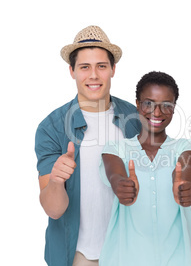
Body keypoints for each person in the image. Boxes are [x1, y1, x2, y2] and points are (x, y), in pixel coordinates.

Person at [35, 25, 141, 266]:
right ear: (71, 71)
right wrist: (56, 181)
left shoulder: (135, 119)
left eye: (101, 66)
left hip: (129, 251)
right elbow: (54, 210)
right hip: (77, 256)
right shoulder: (50, 128)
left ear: (113, 69)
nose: (93, 75)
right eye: (84, 67)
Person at [99, 71, 191, 266]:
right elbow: (115, 175)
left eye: (166, 105)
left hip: (179, 259)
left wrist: (183, 185)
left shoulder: (185, 146)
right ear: (137, 104)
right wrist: (122, 186)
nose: (157, 113)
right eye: (149, 103)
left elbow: (185, 168)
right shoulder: (116, 149)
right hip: (127, 260)